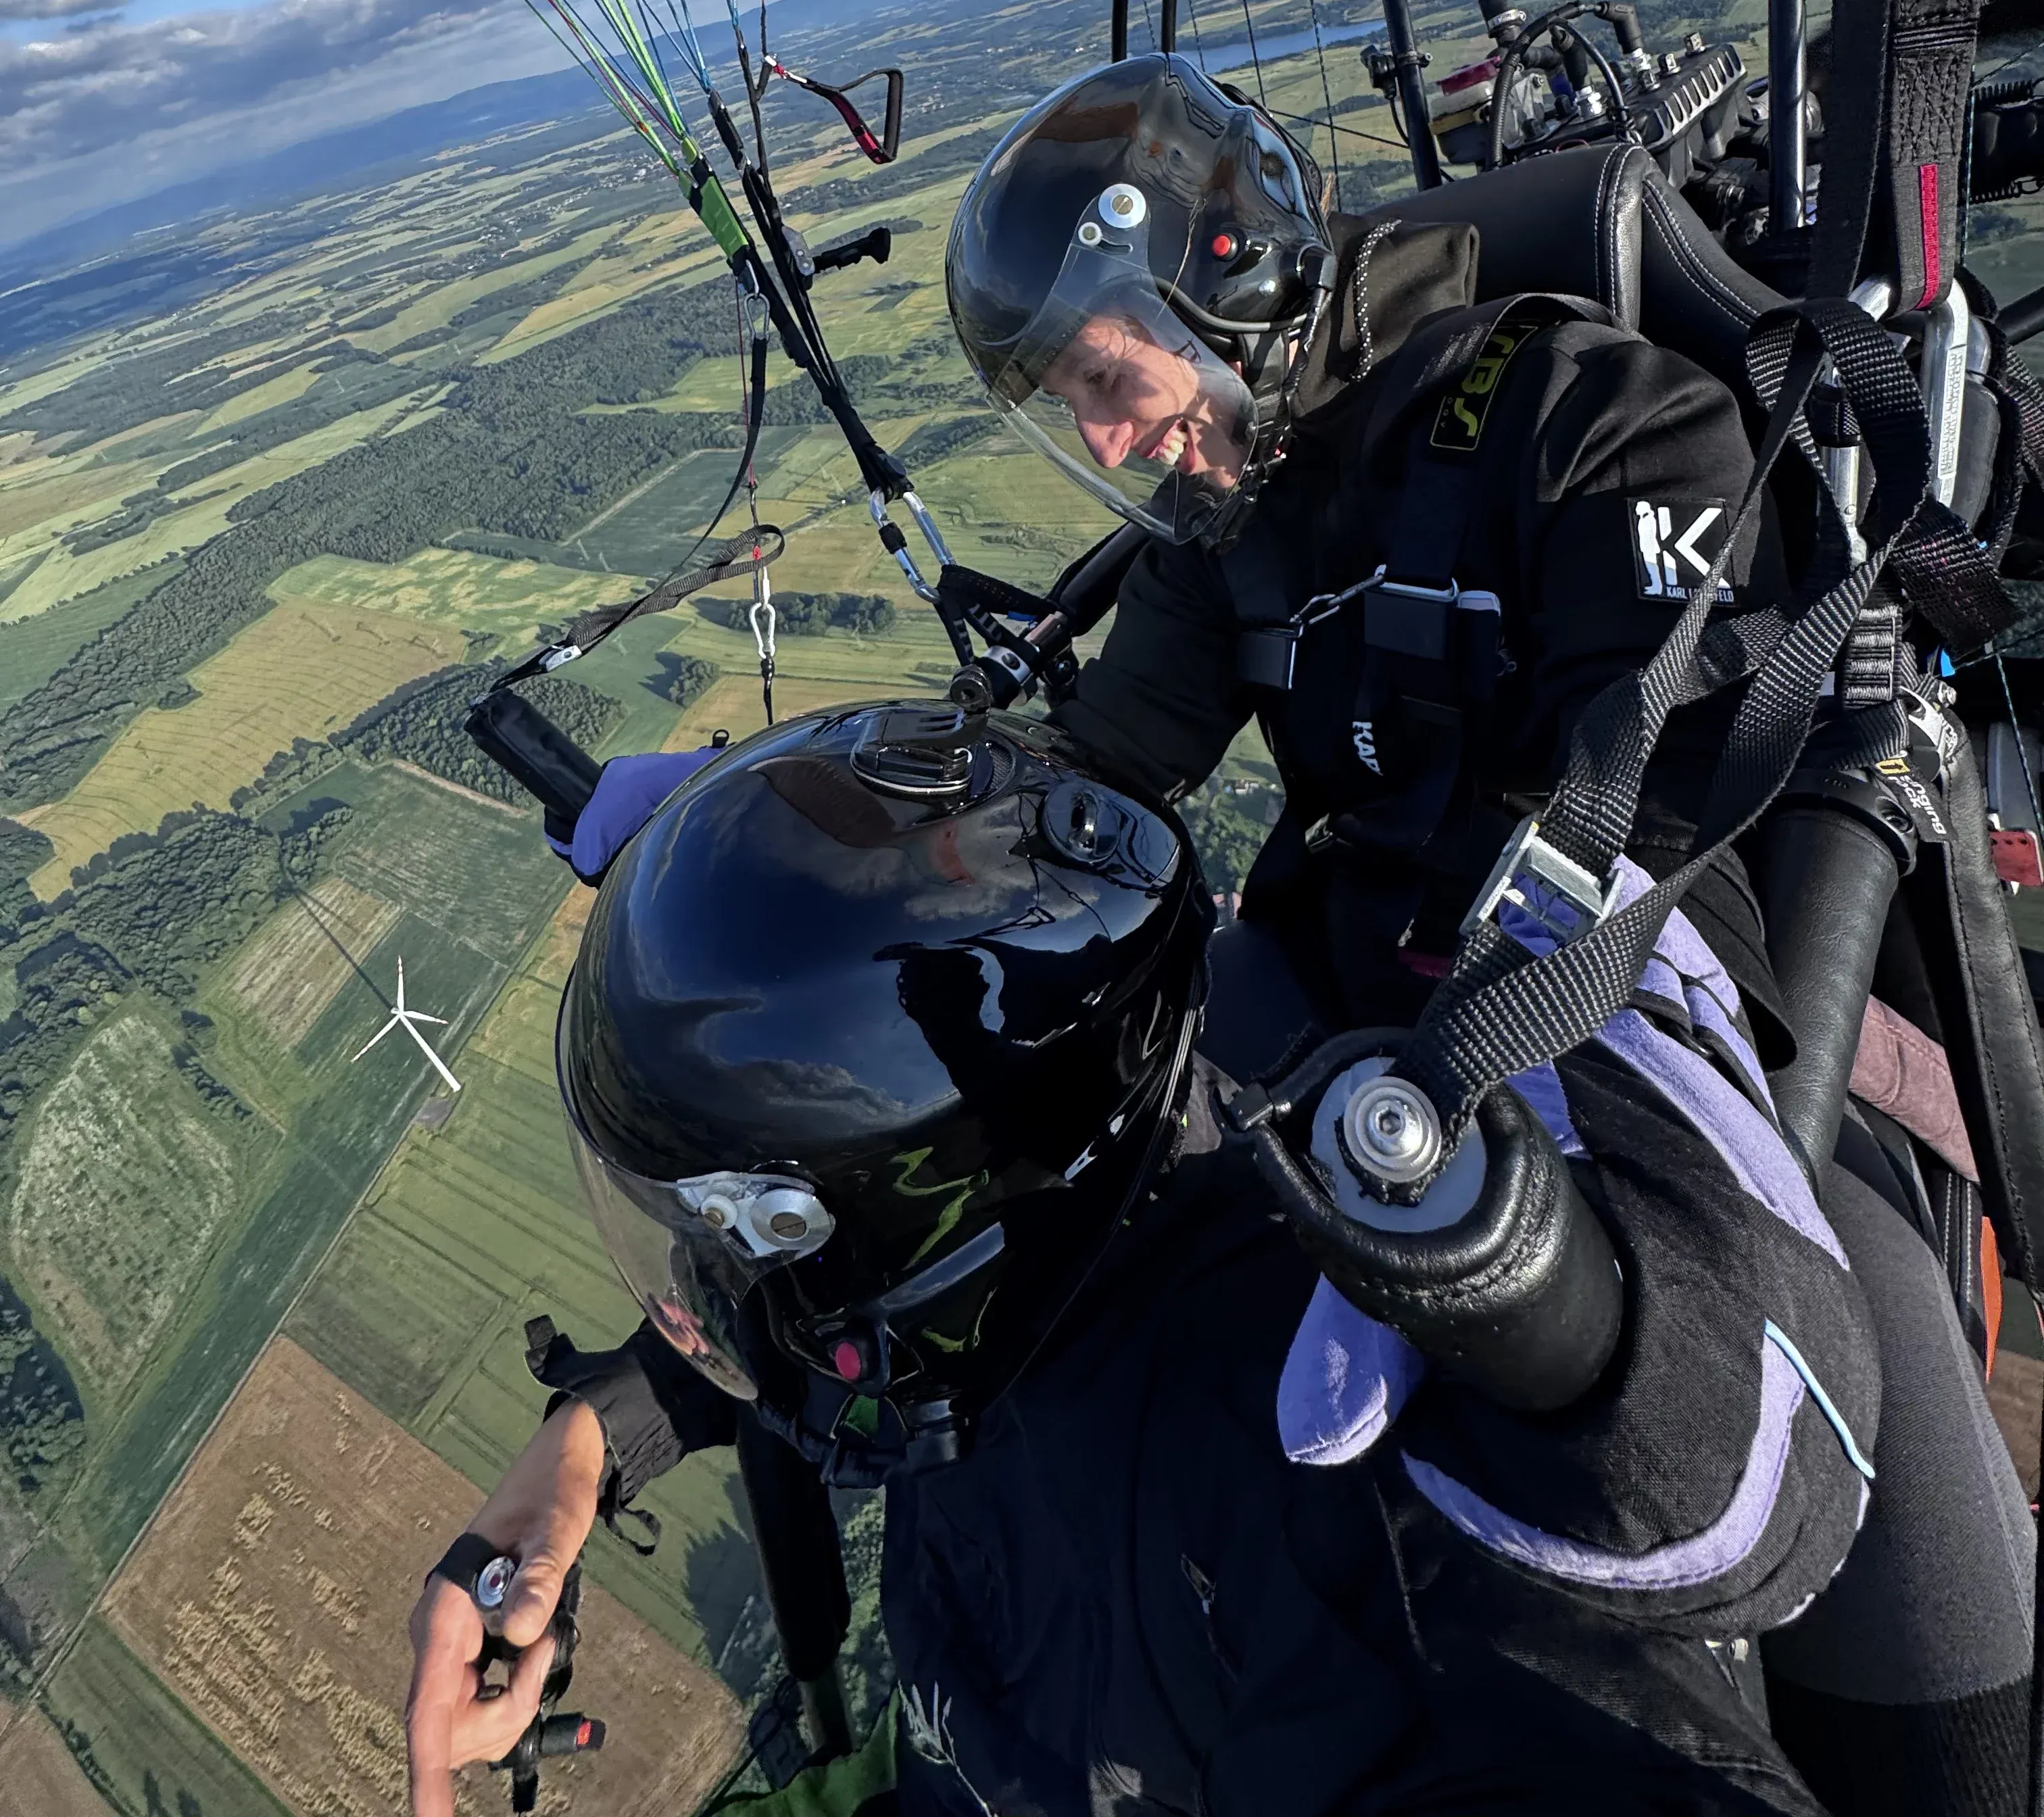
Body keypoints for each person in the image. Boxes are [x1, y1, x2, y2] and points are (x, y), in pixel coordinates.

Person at [408, 696, 1880, 1816]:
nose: (721, 1282)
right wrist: (579, 1460)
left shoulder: (1343, 1536)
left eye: (734, 1229)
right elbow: (812, 1319)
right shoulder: (1027, 1266)